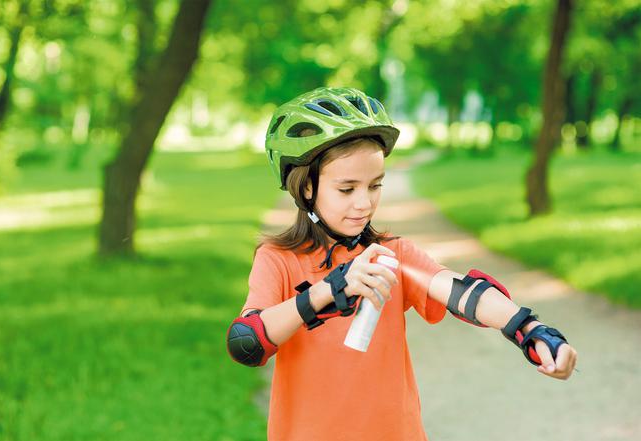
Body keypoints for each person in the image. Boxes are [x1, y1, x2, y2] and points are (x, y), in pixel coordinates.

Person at [226, 87, 578, 441]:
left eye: (375, 185)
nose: (364, 203)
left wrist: (529, 329)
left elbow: (462, 292)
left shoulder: (392, 256)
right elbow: (246, 341)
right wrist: (327, 291)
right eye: (347, 190)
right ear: (306, 188)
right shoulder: (279, 260)